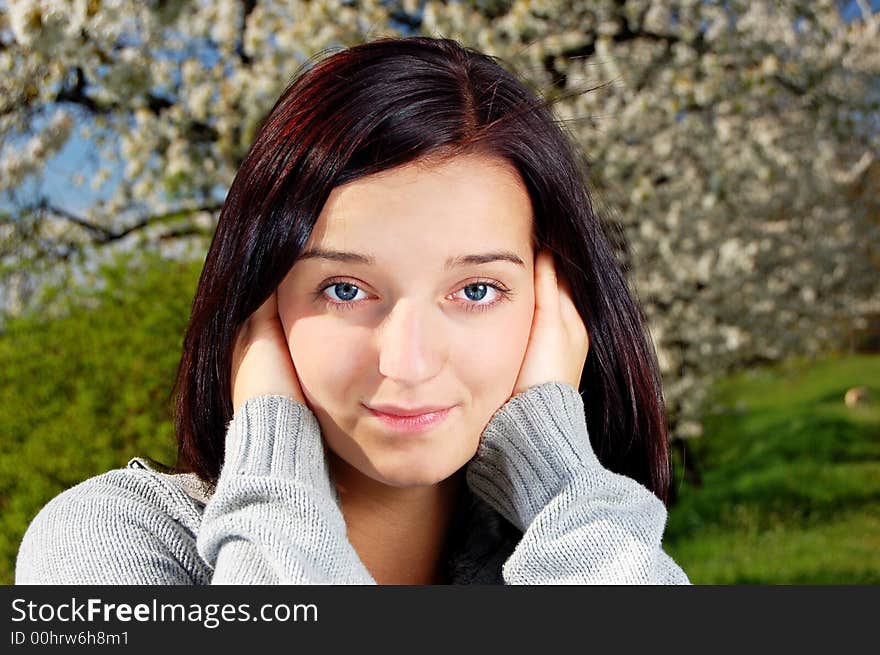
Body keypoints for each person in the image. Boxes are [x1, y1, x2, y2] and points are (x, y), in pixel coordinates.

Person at [16, 36, 690, 585]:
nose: (408, 361)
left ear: (555, 309)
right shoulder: (109, 540)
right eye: (345, 289)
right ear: (261, 299)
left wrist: (560, 478)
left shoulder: (584, 554)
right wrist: (276, 474)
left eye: (476, 290)